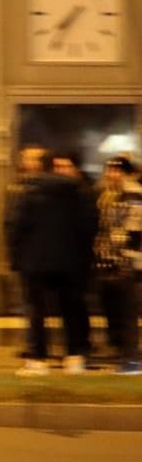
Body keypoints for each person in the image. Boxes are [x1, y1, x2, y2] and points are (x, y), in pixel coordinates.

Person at [11, 151, 97, 375]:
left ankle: (38, 360)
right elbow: (89, 229)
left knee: (37, 313)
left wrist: (17, 259)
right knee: (72, 310)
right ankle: (75, 357)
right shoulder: (81, 193)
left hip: (35, 263)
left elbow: (16, 227)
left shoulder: (29, 192)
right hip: (71, 263)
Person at [92, 156, 142, 375]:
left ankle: (131, 359)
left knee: (127, 312)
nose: (112, 174)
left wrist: (128, 260)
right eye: (110, 170)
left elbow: (135, 233)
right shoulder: (107, 196)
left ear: (128, 173)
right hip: (109, 262)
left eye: (117, 170)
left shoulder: (133, 195)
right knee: (115, 310)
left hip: (127, 264)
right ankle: (124, 354)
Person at [3, 145, 47, 357]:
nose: (30, 163)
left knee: (40, 303)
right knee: (30, 303)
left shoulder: (46, 189)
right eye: (27, 158)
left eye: (34, 159)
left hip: (44, 255)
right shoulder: (17, 188)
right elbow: (9, 224)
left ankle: (40, 347)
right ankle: (33, 344)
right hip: (26, 256)